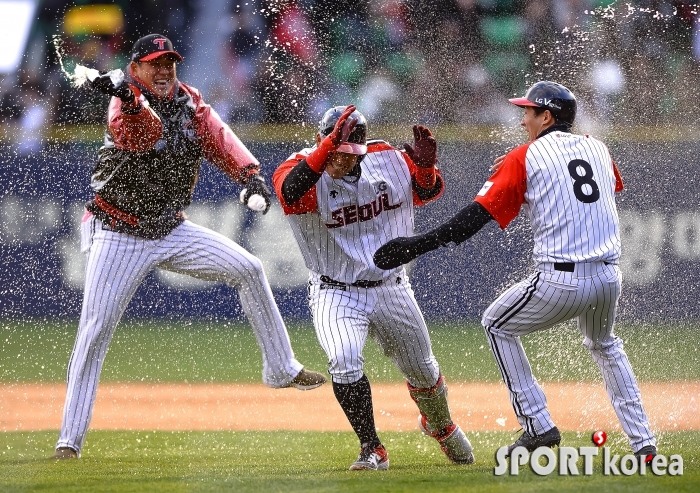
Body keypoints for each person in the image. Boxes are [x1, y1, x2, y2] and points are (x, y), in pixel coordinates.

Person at [51, 34, 326, 460]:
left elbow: (217, 135)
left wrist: (248, 173)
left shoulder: (189, 100)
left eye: (170, 63)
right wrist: (129, 97)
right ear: (136, 68)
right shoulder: (121, 104)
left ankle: (282, 369)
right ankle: (69, 441)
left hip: (170, 228)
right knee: (94, 332)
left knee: (249, 269)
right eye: (155, 64)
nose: (164, 71)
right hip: (118, 230)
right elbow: (142, 135)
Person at [373, 81, 657, 461]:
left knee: (496, 323)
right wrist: (525, 165)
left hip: (561, 280)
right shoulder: (598, 148)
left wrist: (415, 244)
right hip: (608, 279)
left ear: (547, 116)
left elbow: (469, 223)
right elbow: (586, 190)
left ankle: (538, 426)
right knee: (606, 345)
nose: (523, 119)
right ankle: (644, 443)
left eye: (528, 111)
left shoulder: (525, 157)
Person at [272, 105, 474, 471]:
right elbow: (288, 192)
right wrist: (329, 148)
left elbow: (426, 192)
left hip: (391, 286)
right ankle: (371, 447)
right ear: (321, 142)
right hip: (336, 290)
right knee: (344, 359)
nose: (338, 161)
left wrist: (427, 169)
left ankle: (440, 426)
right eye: (331, 151)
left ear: (361, 151)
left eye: (346, 154)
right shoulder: (300, 169)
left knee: (424, 371)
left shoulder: (388, 160)